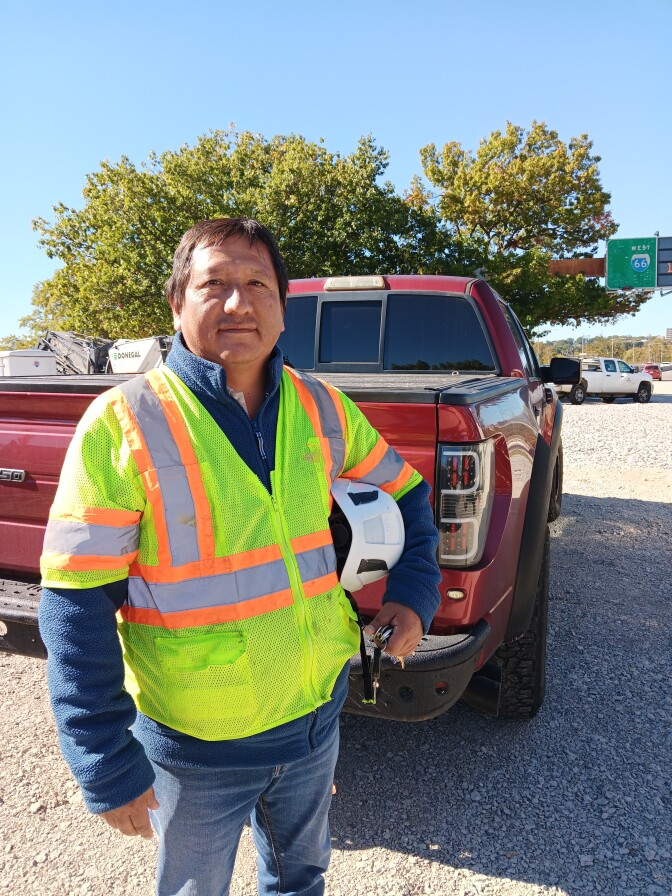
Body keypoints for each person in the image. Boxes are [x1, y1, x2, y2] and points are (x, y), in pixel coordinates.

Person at [38, 217, 441, 896]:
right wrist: (104, 760)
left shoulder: (323, 408)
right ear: (176, 302)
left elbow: (407, 493)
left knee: (301, 879)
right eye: (214, 283)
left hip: (315, 725)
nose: (238, 302)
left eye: (257, 284)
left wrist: (414, 593)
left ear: (284, 306)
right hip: (196, 750)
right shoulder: (123, 424)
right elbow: (74, 606)